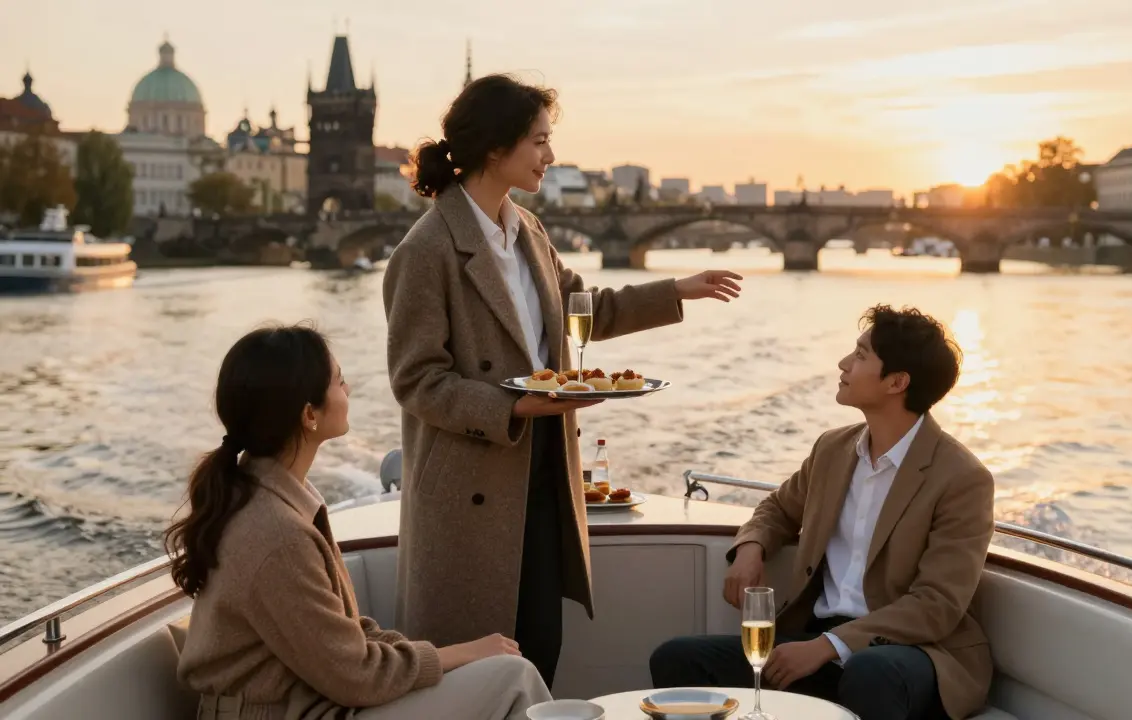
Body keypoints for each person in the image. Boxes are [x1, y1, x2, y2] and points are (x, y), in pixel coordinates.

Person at [382, 74, 742, 688]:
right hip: (475, 482)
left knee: (539, 644)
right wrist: (516, 408)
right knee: (480, 669)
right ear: (497, 148)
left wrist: (676, 290)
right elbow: (417, 381)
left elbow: (579, 310)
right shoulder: (427, 249)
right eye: (540, 142)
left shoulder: (527, 230)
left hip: (544, 470)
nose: (551, 156)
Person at [167, 325, 552, 720]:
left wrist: (448, 657)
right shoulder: (275, 533)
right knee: (513, 678)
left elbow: (344, 640)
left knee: (502, 673)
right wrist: (459, 654)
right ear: (309, 414)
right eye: (340, 381)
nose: (348, 391)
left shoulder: (265, 496)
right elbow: (356, 676)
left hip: (312, 703)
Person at [650, 305, 996, 720]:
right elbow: (777, 508)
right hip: (817, 637)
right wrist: (751, 547)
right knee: (677, 660)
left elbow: (936, 604)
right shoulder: (833, 449)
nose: (844, 363)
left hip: (910, 653)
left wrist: (829, 646)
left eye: (861, 355)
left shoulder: (962, 477)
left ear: (897, 382)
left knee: (871, 672)